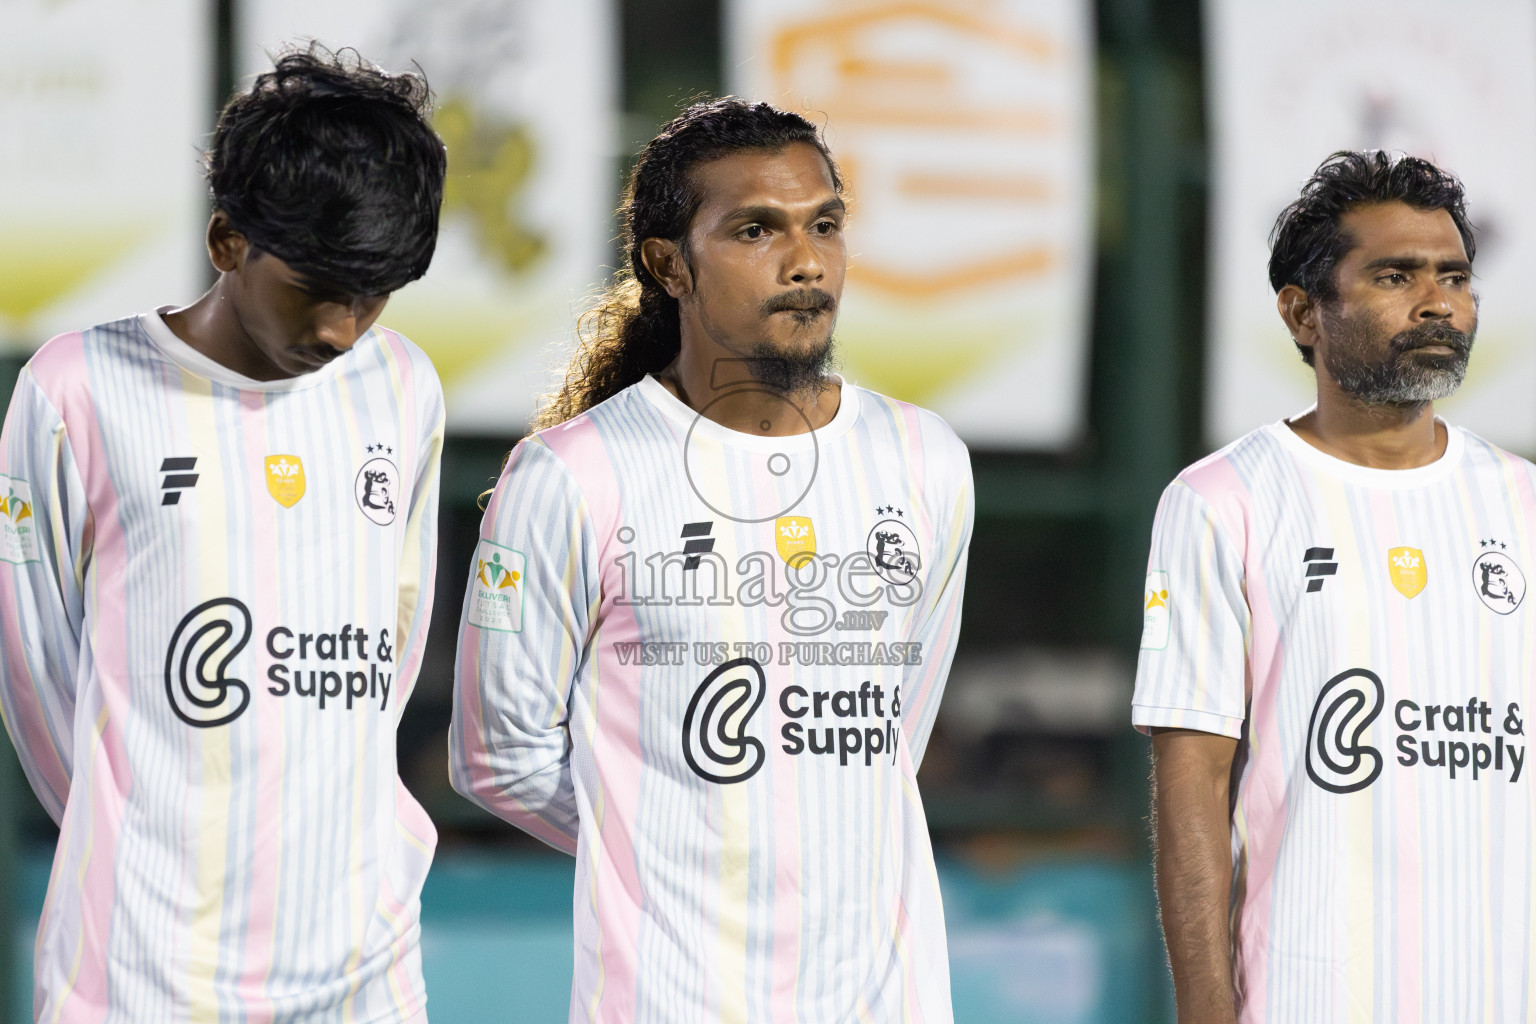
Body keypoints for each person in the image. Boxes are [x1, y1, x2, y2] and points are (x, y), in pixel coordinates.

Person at [450, 98, 973, 1023]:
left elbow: (895, 728)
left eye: (825, 224)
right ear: (668, 265)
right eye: (754, 230)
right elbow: (497, 758)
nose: (806, 260)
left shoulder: (926, 459)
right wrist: (668, 830)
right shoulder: (572, 475)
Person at [0, 46, 447, 1021]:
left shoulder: (404, 385)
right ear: (226, 240)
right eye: (314, 286)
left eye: (370, 296)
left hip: (362, 962)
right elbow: (37, 672)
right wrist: (144, 831)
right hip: (139, 968)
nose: (340, 328)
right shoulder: (76, 388)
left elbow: (392, 635)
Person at [1134, 150, 1532, 1022]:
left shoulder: (1522, 505)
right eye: (1395, 276)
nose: (1437, 303)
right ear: (1302, 311)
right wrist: (1206, 1008)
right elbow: (1191, 778)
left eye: (1455, 278)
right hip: (1314, 995)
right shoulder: (1219, 501)